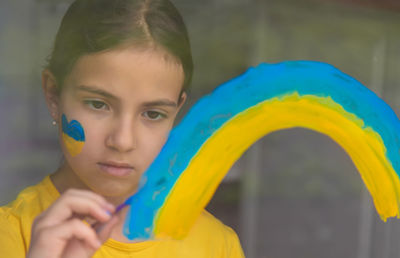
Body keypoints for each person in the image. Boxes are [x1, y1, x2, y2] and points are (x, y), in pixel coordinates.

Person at [0, 0, 245, 257]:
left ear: (176, 112)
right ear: (53, 95)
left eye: (153, 114)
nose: (123, 141)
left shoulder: (216, 246)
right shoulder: (12, 237)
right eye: (98, 105)